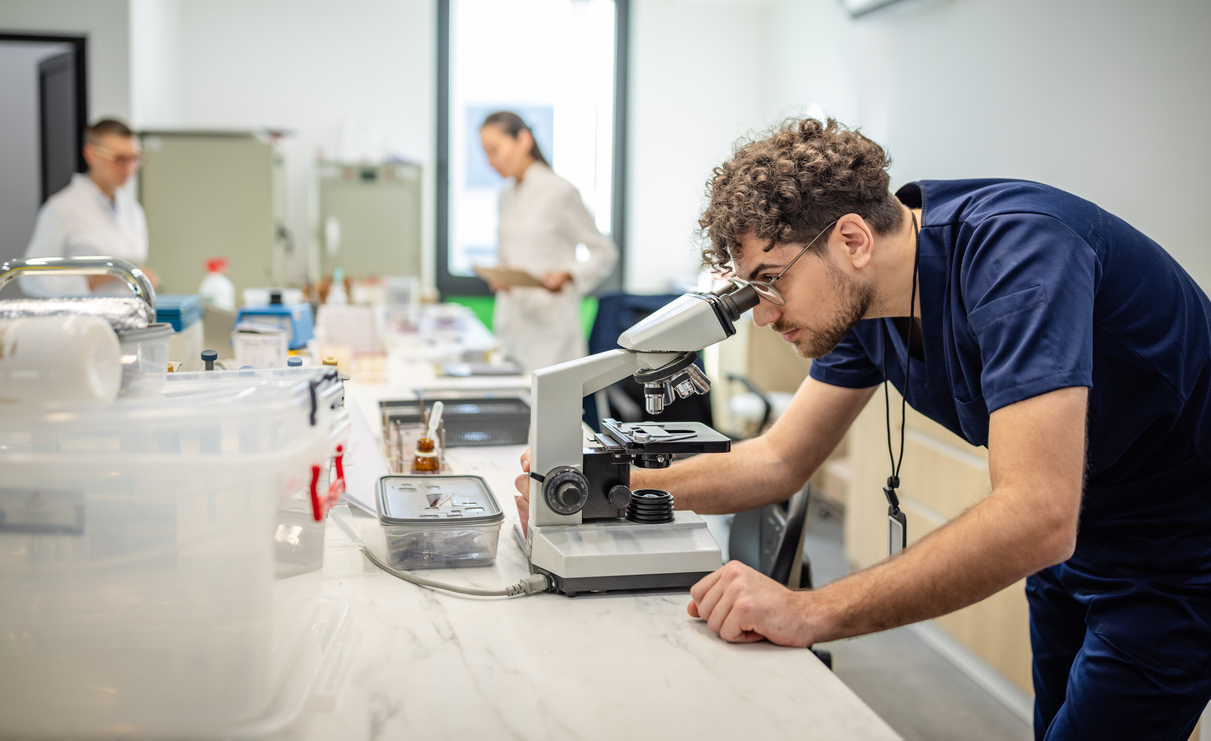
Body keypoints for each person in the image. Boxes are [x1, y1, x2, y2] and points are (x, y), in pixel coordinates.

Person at [514, 117, 1211, 740]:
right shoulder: (863, 301)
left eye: (770, 281)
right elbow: (777, 461)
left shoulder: (1020, 254)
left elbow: (1037, 513)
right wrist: (603, 486)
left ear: (851, 238)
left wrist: (809, 611)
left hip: (1179, 552)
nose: (762, 314)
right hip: (1078, 541)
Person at [479, 111, 617, 371]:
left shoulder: (560, 191)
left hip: (551, 333)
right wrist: (501, 277)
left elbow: (605, 252)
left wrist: (569, 274)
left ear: (524, 140)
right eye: (485, 153)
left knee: (551, 393)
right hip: (511, 324)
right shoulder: (505, 197)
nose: (490, 161)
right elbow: (508, 255)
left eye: (495, 150)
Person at [21, 118, 155, 296]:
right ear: (91, 154)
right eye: (120, 159)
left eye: (135, 158)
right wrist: (95, 280)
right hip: (82, 313)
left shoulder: (133, 209)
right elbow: (31, 279)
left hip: (127, 310)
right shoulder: (62, 208)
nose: (130, 168)